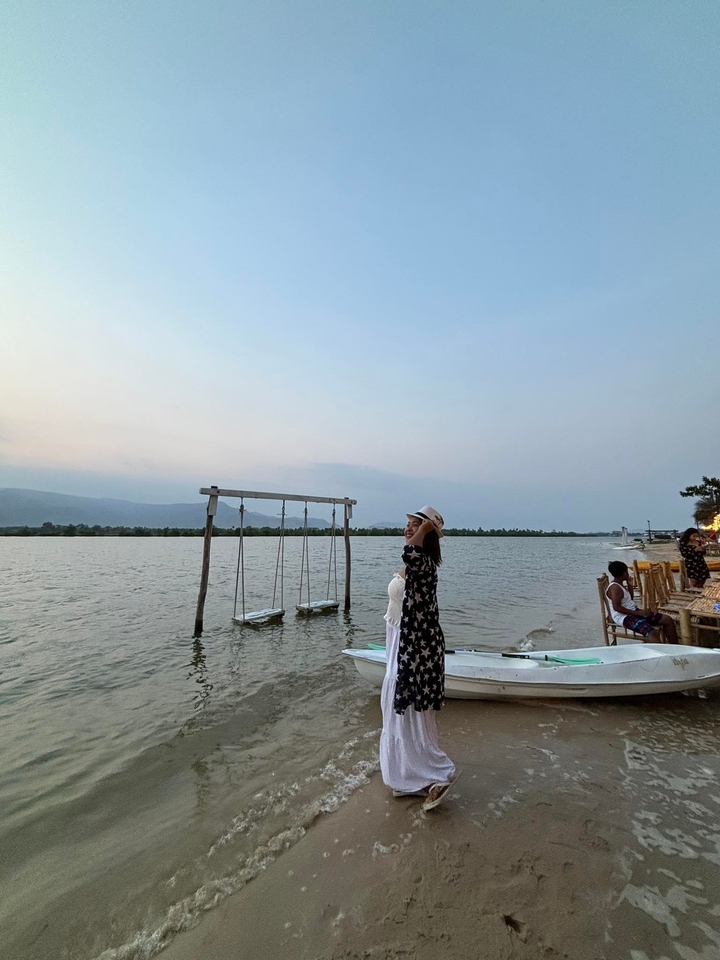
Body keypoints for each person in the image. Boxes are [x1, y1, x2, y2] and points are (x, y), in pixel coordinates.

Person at [379, 506, 457, 811]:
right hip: (403, 642)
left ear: (428, 535)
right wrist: (423, 528)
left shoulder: (422, 562)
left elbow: (409, 552)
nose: (409, 529)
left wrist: (426, 529)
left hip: (416, 648)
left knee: (410, 709)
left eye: (416, 525)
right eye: (408, 524)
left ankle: (437, 772)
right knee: (396, 708)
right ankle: (405, 776)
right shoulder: (417, 562)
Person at [606, 560, 678, 643]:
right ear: (624, 573)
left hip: (633, 612)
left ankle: (675, 647)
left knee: (667, 620)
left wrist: (630, 586)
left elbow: (628, 600)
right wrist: (638, 613)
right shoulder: (615, 588)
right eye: (627, 571)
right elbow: (617, 608)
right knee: (651, 631)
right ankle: (660, 654)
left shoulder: (620, 584)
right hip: (623, 617)